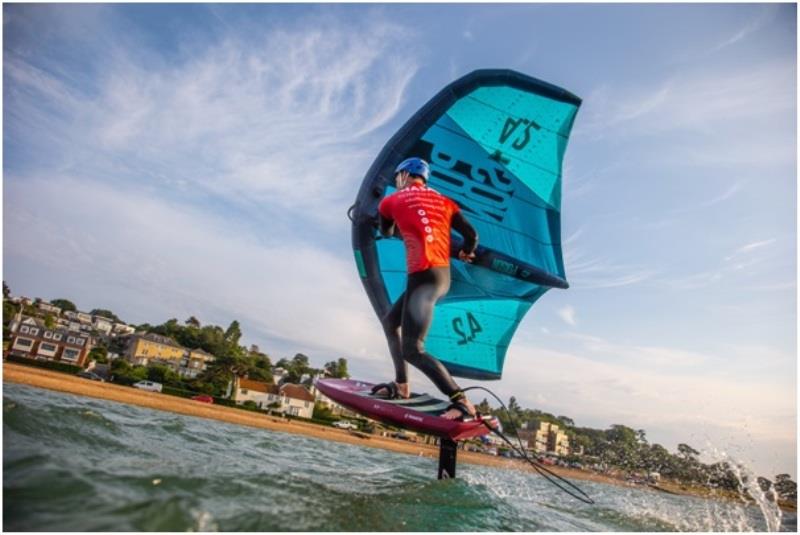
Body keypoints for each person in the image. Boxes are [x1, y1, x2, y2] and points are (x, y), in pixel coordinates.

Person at [372, 157, 479, 421]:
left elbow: (386, 232)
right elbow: (472, 235)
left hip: (423, 278)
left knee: (413, 349)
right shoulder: (446, 202)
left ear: (403, 176)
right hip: (438, 276)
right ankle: (401, 385)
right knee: (390, 323)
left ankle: (461, 401)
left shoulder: (390, 201)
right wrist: (467, 252)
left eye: (397, 177)